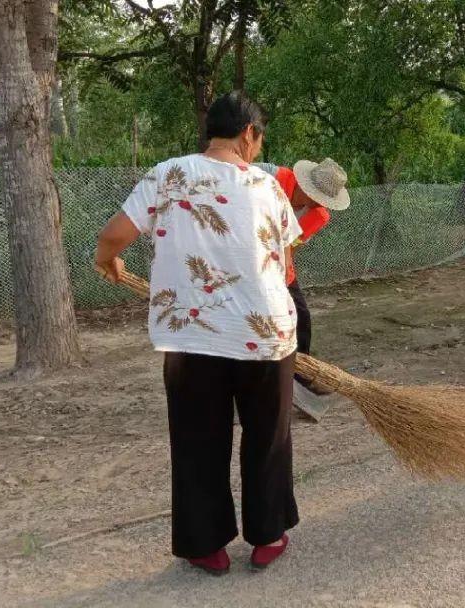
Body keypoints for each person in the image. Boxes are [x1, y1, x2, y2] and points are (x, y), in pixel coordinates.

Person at [94, 92, 300, 574]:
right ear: (249, 132)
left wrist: (108, 262)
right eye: (261, 134)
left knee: (197, 438)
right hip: (266, 334)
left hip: (193, 337)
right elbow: (287, 263)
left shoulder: (168, 173)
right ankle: (268, 534)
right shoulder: (269, 187)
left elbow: (113, 236)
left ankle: (205, 544)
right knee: (268, 435)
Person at [254, 159, 351, 395]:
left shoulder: (319, 216)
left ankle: (301, 373)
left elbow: (293, 245)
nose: (321, 204)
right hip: (248, 255)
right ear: (307, 187)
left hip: (279, 264)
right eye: (319, 197)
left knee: (300, 315)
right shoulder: (271, 177)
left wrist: (281, 275)